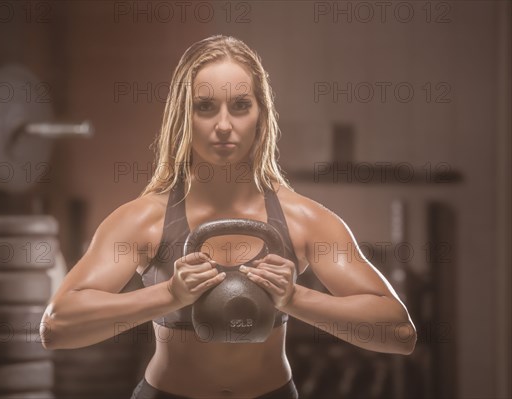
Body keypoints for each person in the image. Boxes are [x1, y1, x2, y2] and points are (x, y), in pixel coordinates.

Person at [40, 35, 417, 399]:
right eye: (205, 107)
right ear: (183, 115)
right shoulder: (144, 221)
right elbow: (57, 328)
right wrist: (168, 294)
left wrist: (295, 298)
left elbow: (399, 333)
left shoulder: (304, 220)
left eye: (240, 105)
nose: (224, 124)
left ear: (261, 114)